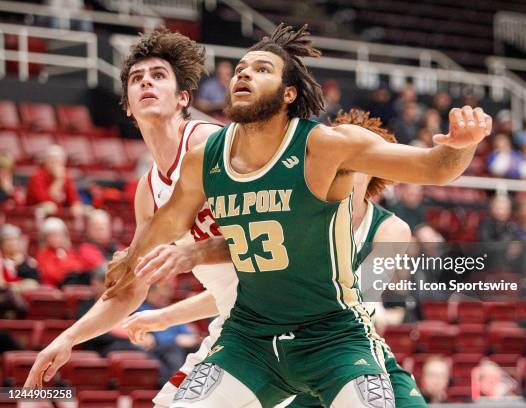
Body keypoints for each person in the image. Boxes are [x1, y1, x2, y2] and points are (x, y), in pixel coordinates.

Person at [103, 23, 491, 408]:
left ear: (288, 93)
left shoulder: (325, 147)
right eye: (240, 68)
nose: (244, 74)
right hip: (249, 338)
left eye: (261, 69)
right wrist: (131, 257)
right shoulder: (207, 156)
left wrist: (462, 145)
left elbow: (435, 167)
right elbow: (169, 220)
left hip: (332, 336)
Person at [124, 110, 428, 408]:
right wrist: (166, 316)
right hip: (280, 350)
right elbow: (258, 287)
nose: (341, 167)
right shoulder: (301, 214)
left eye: (353, 162)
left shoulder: (390, 229)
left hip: (344, 349)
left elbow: (363, 305)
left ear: (373, 167)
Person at [25, 29, 232, 392]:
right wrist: (67, 339)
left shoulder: (208, 142)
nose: (146, 83)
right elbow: (129, 289)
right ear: (127, 105)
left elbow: (267, 238)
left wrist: (192, 255)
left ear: (183, 97)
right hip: (236, 321)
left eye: (158, 76)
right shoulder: (147, 192)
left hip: (284, 307)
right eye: (137, 79)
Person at [26, 145, 83, 218]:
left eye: (59, 162)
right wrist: (58, 181)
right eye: (53, 161)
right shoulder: (36, 177)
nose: (57, 165)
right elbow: (45, 200)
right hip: (35, 216)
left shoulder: (65, 176)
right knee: (50, 207)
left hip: (59, 216)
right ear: (46, 162)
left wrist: (76, 205)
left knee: (80, 209)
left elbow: (74, 199)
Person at [35, 217, 87, 287]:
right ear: (45, 237)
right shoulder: (42, 255)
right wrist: (62, 260)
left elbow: (79, 268)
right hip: (52, 290)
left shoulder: (69, 252)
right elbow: (52, 274)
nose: (57, 238)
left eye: (60, 234)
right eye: (52, 235)